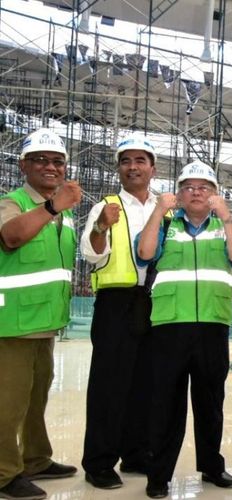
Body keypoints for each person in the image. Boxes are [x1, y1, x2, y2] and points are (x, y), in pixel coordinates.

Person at [135, 160, 232, 499]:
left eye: (204, 187)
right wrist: (158, 211)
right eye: (189, 187)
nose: (196, 192)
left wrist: (228, 216)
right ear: (179, 195)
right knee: (165, 405)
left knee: (211, 402)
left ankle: (212, 466)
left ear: (215, 194)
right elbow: (144, 253)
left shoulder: (223, 225)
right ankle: (159, 475)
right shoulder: (167, 226)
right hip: (170, 325)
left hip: (213, 324)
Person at [0, 128, 80, 500]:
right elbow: (11, 237)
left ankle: (35, 459)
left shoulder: (63, 215)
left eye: (57, 161)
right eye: (41, 160)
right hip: (11, 324)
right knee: (8, 404)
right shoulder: (13, 202)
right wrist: (51, 207)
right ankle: (3, 473)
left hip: (45, 323)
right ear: (24, 165)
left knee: (36, 398)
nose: (51, 167)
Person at [80, 134, 159, 490]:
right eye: (126, 161)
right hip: (116, 303)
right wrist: (101, 227)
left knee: (145, 382)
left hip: (155, 302)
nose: (133, 167)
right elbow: (92, 254)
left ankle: (136, 452)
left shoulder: (163, 207)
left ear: (152, 168)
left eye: (140, 160)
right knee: (109, 385)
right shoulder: (107, 206)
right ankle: (98, 462)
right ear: (118, 169)